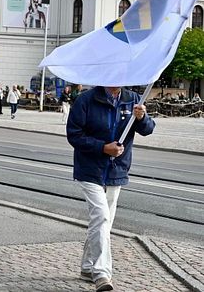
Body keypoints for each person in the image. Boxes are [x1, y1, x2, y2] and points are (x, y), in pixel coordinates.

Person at [68, 85, 154, 292]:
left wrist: (142, 118)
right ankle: (102, 274)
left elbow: (148, 129)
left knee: (102, 222)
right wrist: (102, 147)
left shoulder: (133, 99)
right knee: (102, 217)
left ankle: (88, 267)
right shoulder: (85, 100)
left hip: (116, 170)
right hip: (90, 170)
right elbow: (74, 134)